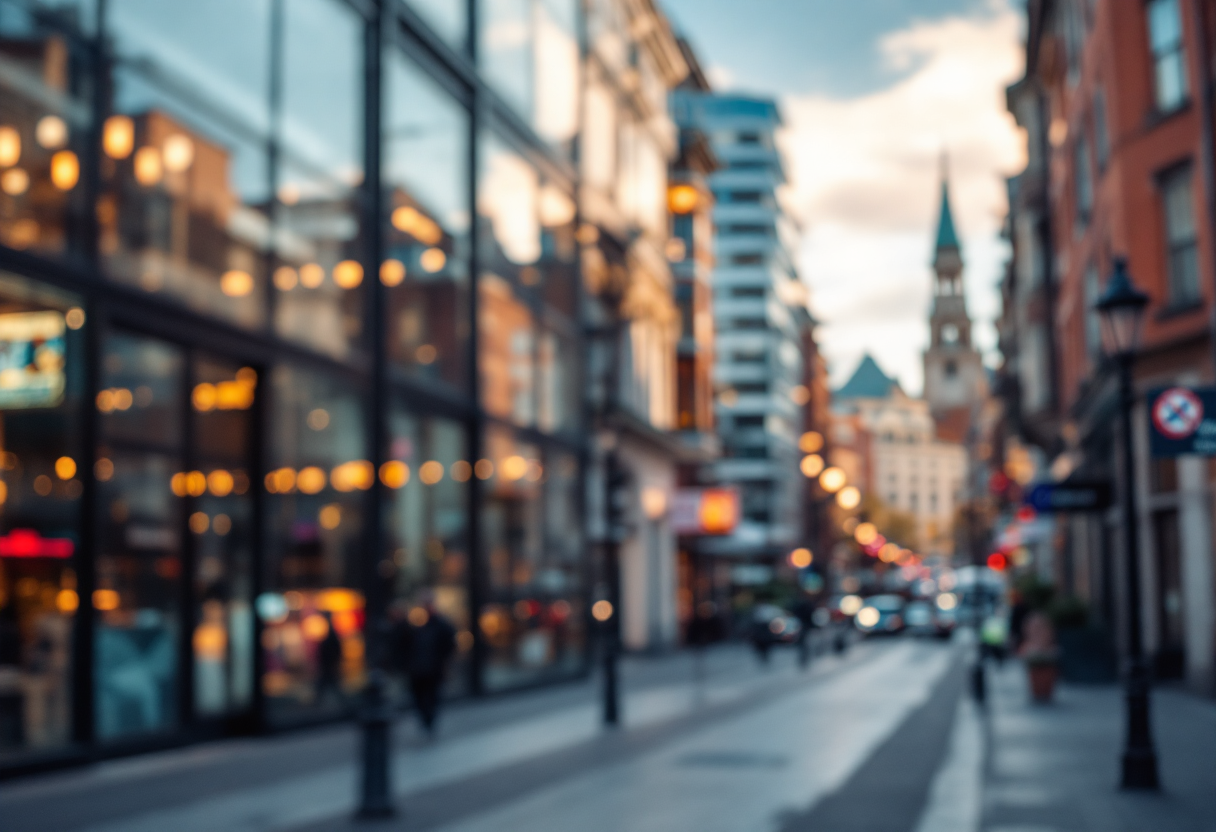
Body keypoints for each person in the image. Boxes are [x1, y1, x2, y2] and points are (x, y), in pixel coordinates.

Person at [396, 593, 456, 736]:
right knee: (418, 696)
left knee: (432, 696)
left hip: (433, 668)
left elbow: (449, 642)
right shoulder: (413, 624)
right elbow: (401, 642)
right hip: (416, 668)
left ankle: (429, 721)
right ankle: (426, 720)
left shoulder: (440, 623)